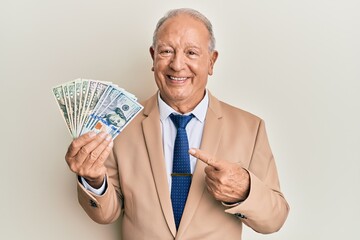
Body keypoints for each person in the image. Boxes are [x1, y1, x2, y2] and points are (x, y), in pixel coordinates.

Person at [65, 8, 289, 239]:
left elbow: (274, 220)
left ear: (211, 62)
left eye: (191, 52)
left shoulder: (250, 128)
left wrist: (244, 190)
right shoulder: (119, 125)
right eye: (166, 51)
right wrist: (94, 180)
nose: (177, 64)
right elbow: (106, 214)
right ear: (153, 57)